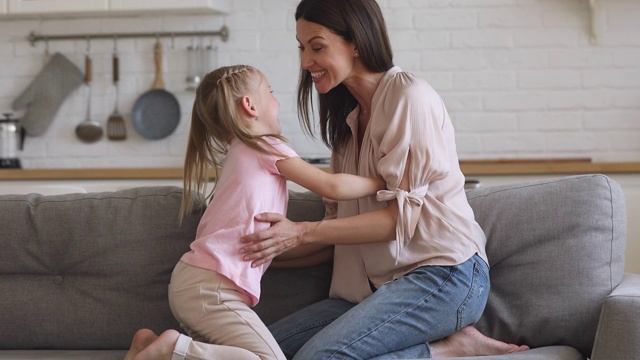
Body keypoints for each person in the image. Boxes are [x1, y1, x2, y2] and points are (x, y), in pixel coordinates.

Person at [237, 0, 531, 359]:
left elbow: (396, 221)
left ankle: (444, 350)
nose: (304, 62)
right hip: (372, 292)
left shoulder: (408, 98)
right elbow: (337, 232)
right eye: (301, 48)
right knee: (253, 352)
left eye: (317, 46)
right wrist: (260, 248)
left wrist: (299, 231)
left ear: (356, 42)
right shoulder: (347, 128)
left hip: (444, 276)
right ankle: (447, 346)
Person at [124, 64, 386, 360]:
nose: (276, 101)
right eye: (270, 93)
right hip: (212, 291)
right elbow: (331, 185)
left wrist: (325, 238)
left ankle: (148, 347)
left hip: (196, 286)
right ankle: (171, 349)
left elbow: (271, 250)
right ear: (249, 106)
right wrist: (385, 181)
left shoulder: (239, 154)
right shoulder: (266, 146)